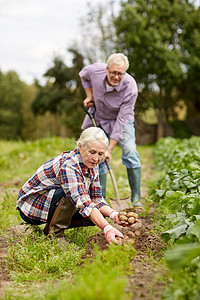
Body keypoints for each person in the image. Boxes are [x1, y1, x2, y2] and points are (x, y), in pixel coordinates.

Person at [16, 127, 124, 249]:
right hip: (33, 206)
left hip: (50, 203)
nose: (96, 158)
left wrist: (113, 215)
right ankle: (54, 236)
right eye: (92, 152)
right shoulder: (69, 164)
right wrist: (107, 228)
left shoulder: (92, 165)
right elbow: (82, 201)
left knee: (98, 214)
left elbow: (97, 199)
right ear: (80, 146)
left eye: (100, 154)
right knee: (73, 194)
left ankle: (50, 228)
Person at [79, 53, 143, 208]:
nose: (116, 76)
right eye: (113, 72)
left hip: (122, 119)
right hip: (100, 116)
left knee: (130, 152)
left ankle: (136, 197)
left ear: (125, 72)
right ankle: (100, 199)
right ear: (107, 68)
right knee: (97, 156)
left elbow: (121, 121)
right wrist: (90, 95)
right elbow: (83, 75)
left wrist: (110, 148)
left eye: (120, 73)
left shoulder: (130, 87)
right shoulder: (95, 71)